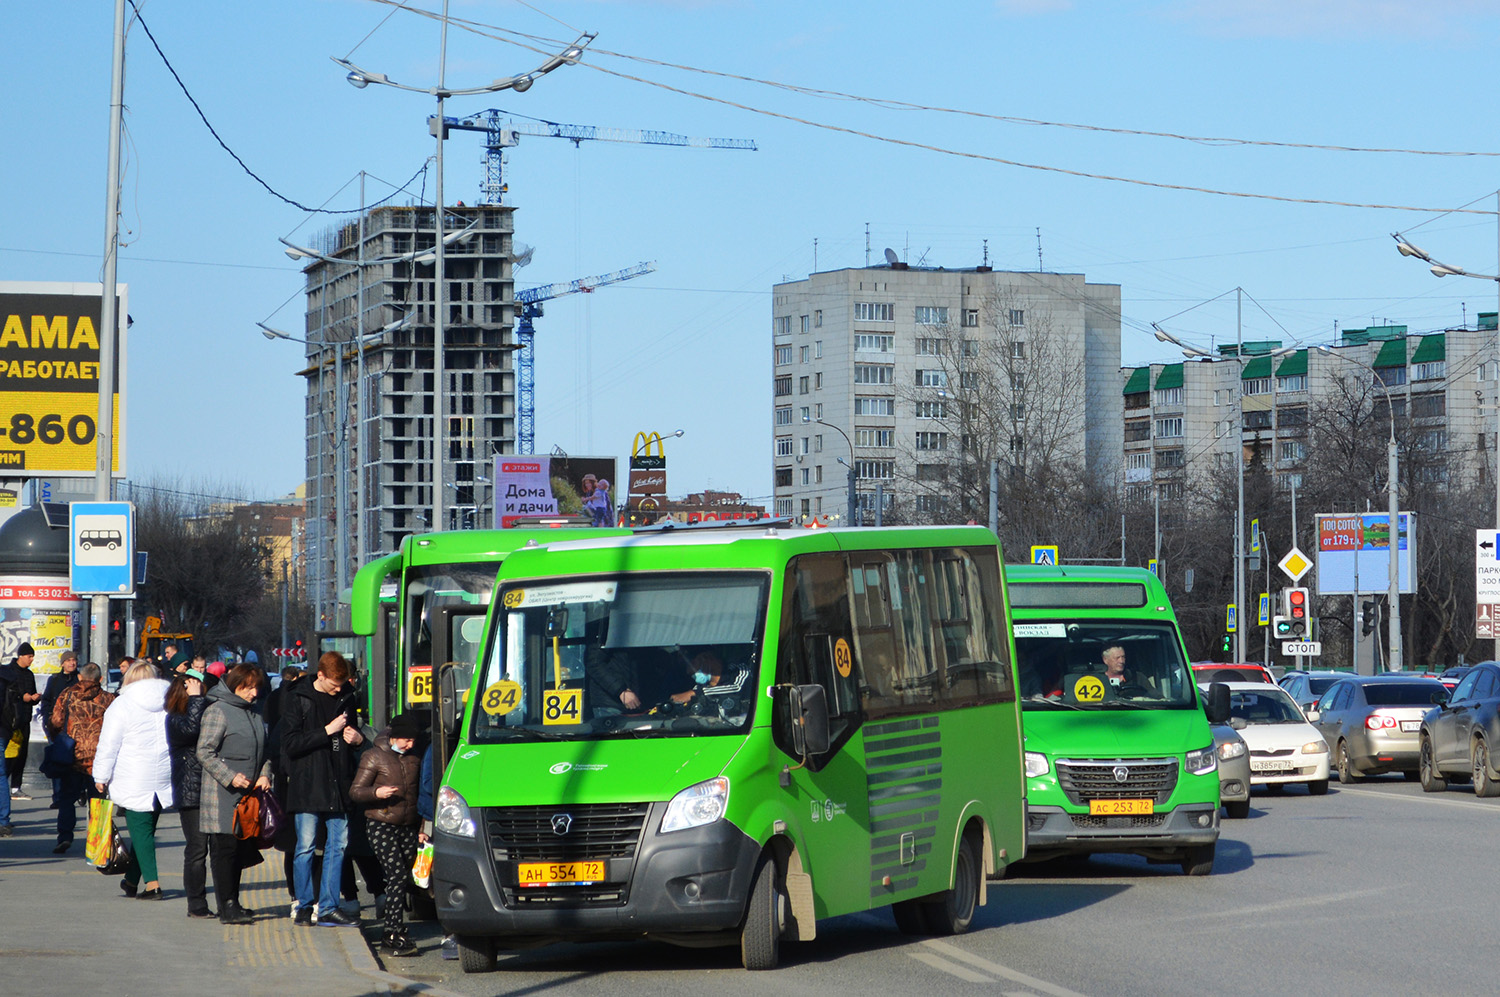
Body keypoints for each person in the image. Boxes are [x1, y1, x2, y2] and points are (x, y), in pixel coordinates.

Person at [280, 651, 364, 927]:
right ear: (320, 676)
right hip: (308, 783)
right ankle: (304, 905)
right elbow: (290, 744)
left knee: (337, 846)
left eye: (342, 684)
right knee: (305, 847)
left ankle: (328, 907)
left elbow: (350, 735)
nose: (339, 689)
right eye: (334, 684)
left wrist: (356, 738)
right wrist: (327, 731)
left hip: (338, 782)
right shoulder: (298, 698)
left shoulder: (347, 697)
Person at [197, 664, 272, 925]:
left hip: (247, 796)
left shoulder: (254, 714)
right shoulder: (217, 711)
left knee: (239, 849)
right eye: (248, 687)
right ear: (235, 684)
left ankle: (234, 902)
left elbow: (265, 751)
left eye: (257, 687)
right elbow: (205, 752)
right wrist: (230, 776)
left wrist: (265, 773)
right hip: (221, 794)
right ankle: (226, 906)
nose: (254, 692)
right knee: (224, 850)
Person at [92, 662, 174, 900]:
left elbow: (109, 744)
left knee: (141, 831)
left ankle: (152, 884)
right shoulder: (169, 702)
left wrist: (101, 776)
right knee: (145, 833)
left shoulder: (122, 704)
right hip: (163, 774)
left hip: (133, 774)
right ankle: (131, 880)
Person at [350, 712, 425, 957]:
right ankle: (392, 931)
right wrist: (377, 793)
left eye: (413, 741)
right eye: (406, 740)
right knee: (396, 874)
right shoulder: (373, 756)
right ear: (394, 736)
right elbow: (356, 792)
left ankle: (395, 929)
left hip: (408, 825)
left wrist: (423, 828)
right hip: (380, 823)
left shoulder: (415, 758)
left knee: (405, 877)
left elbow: (420, 795)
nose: (410, 745)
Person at [49, 662, 116, 852]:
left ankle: (65, 836)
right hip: (99, 758)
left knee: (66, 799)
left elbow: (56, 721)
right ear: (100, 679)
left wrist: (59, 739)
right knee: (99, 802)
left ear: (80, 677)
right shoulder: (108, 699)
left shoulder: (67, 694)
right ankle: (97, 844)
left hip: (72, 757)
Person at [166, 669, 214, 918]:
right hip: (191, 790)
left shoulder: (202, 712)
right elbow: (192, 731)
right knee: (197, 849)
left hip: (210, 787)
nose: (200, 694)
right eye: (195, 690)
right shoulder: (175, 718)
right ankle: (196, 904)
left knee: (215, 848)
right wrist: (196, 699)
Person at [1, 642, 42, 814]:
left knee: (22, 754)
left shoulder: (29, 674)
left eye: (33, 656)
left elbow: (30, 693)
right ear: (21, 656)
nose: (31, 659)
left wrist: (35, 698)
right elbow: (11, 696)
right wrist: (22, 697)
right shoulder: (9, 672)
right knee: (9, 755)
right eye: (29, 656)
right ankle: (6, 785)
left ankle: (15, 787)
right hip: (10, 722)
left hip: (25, 719)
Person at [40, 650, 79, 807]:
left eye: (74, 660)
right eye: (68, 660)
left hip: (76, 728)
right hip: (57, 728)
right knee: (58, 762)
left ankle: (75, 793)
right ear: (62, 663)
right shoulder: (55, 680)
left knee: (76, 763)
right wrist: (47, 719)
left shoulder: (80, 679)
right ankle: (58, 797)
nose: (72, 663)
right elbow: (46, 700)